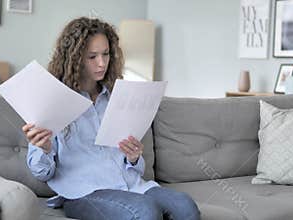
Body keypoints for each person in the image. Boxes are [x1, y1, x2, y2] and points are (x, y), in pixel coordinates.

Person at [23, 17, 200, 220]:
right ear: (74, 58)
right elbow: (42, 173)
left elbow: (134, 164)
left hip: (132, 186)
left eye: (106, 54)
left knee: (186, 207)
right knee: (144, 211)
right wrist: (44, 148)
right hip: (83, 193)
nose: (102, 63)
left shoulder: (118, 98)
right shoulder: (52, 101)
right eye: (92, 56)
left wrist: (133, 157)